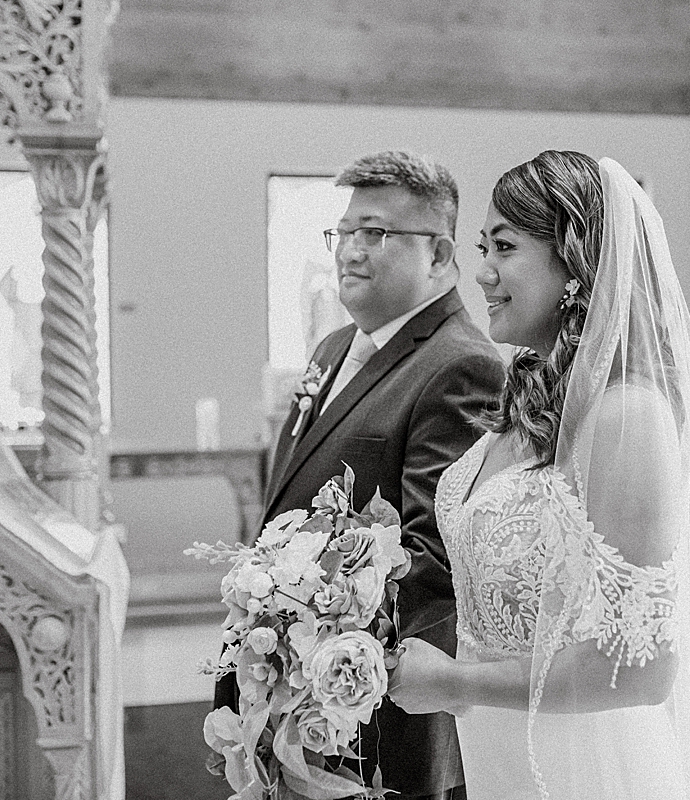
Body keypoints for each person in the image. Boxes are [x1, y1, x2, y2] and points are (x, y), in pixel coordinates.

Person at [388, 151, 690, 800]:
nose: (482, 274)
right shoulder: (532, 389)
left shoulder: (628, 415)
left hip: (583, 765)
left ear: (574, 265)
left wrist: (454, 683)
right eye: (482, 247)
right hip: (500, 750)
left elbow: (640, 672)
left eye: (505, 247)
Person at [214, 150, 505, 800]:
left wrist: (308, 622)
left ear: (436, 253)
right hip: (288, 673)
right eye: (341, 233)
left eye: (372, 233)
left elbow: (435, 554)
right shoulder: (332, 346)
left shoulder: (461, 365)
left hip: (370, 707)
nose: (348, 250)